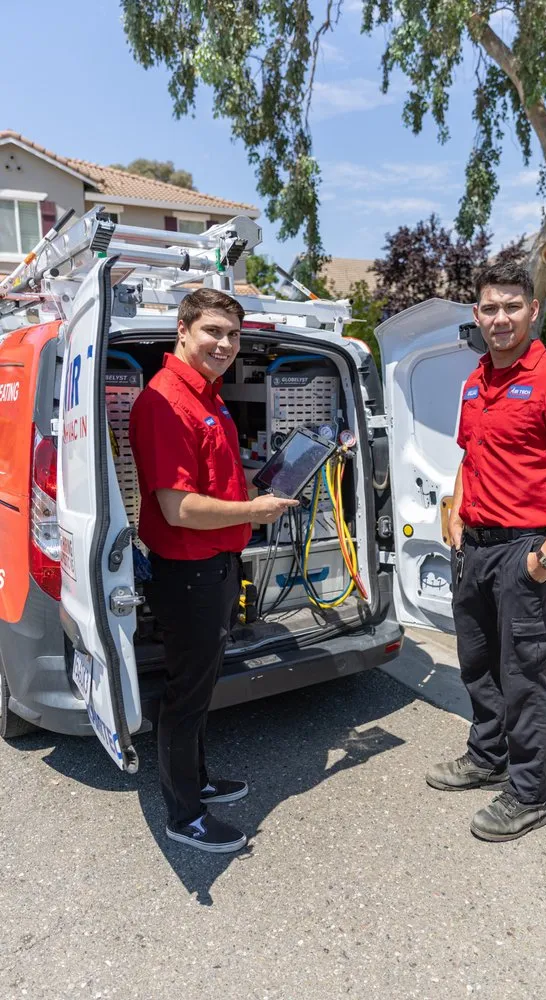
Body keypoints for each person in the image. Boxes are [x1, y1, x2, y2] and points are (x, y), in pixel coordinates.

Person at [425, 261, 546, 842]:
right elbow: (470, 456)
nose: (500, 318)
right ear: (476, 315)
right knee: (478, 664)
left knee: (525, 675)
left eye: (512, 306)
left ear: (533, 311)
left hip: (525, 552)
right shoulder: (475, 381)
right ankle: (488, 755)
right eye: (489, 308)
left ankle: (529, 793)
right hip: (475, 549)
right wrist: (455, 507)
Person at [129, 288, 298, 853]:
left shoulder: (209, 396)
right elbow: (179, 507)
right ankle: (185, 815)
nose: (224, 344)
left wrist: (263, 483)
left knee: (200, 690)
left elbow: (213, 483)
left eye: (231, 335)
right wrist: (255, 511)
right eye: (212, 332)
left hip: (217, 564)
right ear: (183, 329)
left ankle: (197, 781)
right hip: (190, 573)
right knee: (186, 694)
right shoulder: (166, 401)